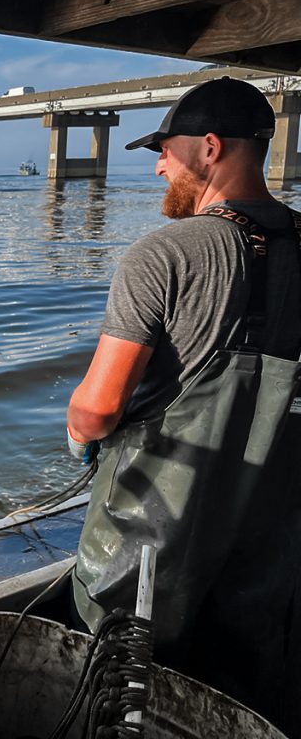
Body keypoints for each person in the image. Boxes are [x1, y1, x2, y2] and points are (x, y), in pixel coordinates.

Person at [67, 77, 301, 731]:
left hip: (150, 558)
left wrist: (77, 424)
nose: (159, 164)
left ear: (209, 147)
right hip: (272, 553)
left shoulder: (162, 254)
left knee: (123, 701)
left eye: (165, 150)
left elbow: (99, 407)